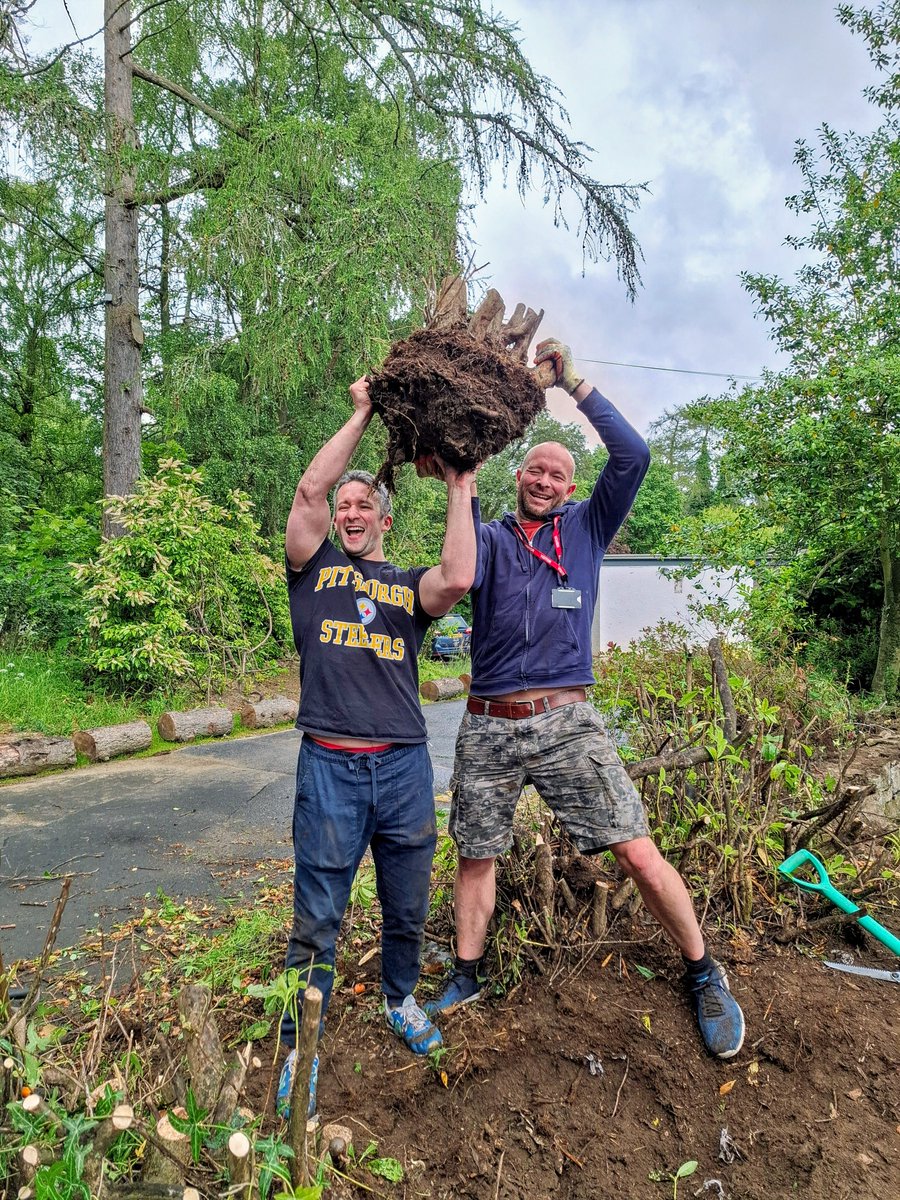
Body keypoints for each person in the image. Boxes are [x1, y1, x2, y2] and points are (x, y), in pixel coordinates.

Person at [427, 338, 745, 1060]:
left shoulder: (588, 529)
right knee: (475, 854)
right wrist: (455, 474)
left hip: (567, 718)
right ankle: (467, 975)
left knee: (634, 848)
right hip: (487, 723)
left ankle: (703, 973)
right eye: (534, 467)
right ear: (517, 477)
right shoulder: (487, 539)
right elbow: (452, 565)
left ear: (571, 489)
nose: (544, 478)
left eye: (557, 472)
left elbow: (634, 456)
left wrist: (571, 383)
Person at [277, 374, 477, 1119]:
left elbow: (458, 576)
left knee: (406, 903)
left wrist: (462, 482)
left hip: (400, 768)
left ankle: (399, 998)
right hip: (328, 765)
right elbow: (305, 494)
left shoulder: (403, 586)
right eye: (346, 506)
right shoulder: (314, 568)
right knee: (318, 909)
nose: (351, 513)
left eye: (365, 507)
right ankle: (300, 1041)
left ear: (385, 522)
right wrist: (361, 411)